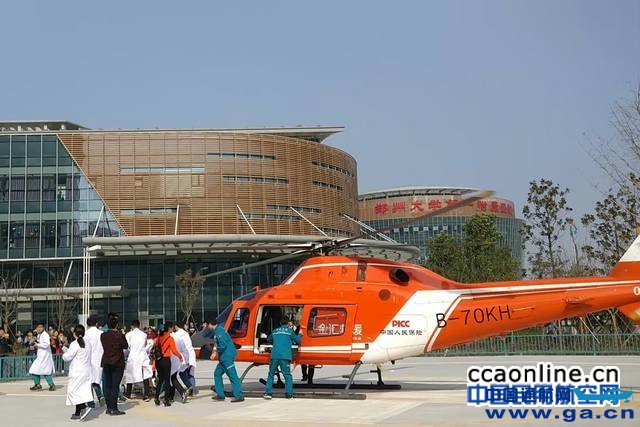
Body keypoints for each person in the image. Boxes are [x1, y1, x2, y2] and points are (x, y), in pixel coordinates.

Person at [264, 316, 302, 399]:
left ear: (280, 323)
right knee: (287, 375)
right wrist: (300, 334)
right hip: (285, 356)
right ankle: (289, 394)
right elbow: (298, 340)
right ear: (288, 323)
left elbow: (269, 339)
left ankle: (268, 393)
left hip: (274, 356)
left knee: (271, 374)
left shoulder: (275, 331)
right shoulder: (290, 331)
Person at [62, 325, 93, 421]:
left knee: (74, 391)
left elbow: (67, 357)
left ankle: (81, 409)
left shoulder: (74, 344)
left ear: (74, 333)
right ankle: (80, 410)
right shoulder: (88, 343)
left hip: (77, 371)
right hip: (86, 370)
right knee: (81, 390)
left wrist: (65, 352)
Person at [209, 319, 244, 403]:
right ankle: (220, 394)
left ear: (210, 324)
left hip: (227, 357)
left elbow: (223, 345)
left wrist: (215, 353)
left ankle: (239, 395)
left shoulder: (219, 331)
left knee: (233, 376)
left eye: (206, 325)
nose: (206, 327)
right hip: (223, 358)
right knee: (217, 373)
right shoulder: (218, 330)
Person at [100, 315, 128, 415]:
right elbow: (125, 346)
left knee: (108, 385)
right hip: (117, 362)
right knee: (115, 386)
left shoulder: (103, 335)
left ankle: (109, 407)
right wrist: (122, 334)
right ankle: (113, 408)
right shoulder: (119, 335)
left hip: (106, 361)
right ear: (116, 325)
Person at [153, 322, 185, 407]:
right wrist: (180, 356)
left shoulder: (158, 338)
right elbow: (174, 350)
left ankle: (156, 398)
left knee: (160, 380)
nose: (173, 329)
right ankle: (166, 400)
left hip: (158, 361)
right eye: (172, 327)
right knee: (167, 380)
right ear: (169, 328)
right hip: (166, 360)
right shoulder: (170, 338)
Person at [124, 320, 152, 401]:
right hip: (142, 356)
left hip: (133, 357)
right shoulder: (144, 335)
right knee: (145, 376)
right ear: (139, 326)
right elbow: (145, 345)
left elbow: (127, 347)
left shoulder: (128, 335)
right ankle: (146, 395)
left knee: (130, 376)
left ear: (132, 326)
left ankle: (128, 394)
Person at [28, 322, 56, 391]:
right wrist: (35, 342)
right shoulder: (39, 335)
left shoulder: (45, 335)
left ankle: (46, 384)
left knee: (37, 369)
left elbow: (47, 344)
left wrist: (37, 344)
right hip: (41, 356)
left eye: (41, 327)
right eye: (38, 327)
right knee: (40, 370)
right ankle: (41, 384)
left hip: (45, 356)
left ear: (43, 328)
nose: (39, 329)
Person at [84, 317, 104, 407]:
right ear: (96, 324)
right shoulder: (101, 333)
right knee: (96, 380)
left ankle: (90, 401)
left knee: (89, 381)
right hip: (100, 359)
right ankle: (100, 396)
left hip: (88, 360)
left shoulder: (86, 334)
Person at [172, 321, 197, 396]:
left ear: (176, 326)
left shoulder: (177, 334)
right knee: (190, 374)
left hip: (185, 355)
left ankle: (190, 387)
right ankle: (193, 391)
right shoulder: (186, 333)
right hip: (191, 354)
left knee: (182, 373)